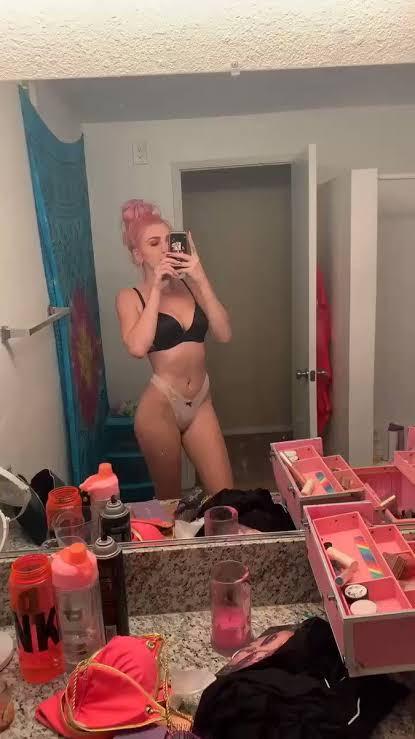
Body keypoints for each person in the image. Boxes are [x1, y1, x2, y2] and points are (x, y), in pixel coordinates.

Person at [116, 199, 234, 500]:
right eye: (153, 243)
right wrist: (156, 288)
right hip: (161, 406)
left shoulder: (191, 287)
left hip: (201, 401)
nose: (164, 248)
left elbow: (224, 333)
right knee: (169, 501)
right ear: (137, 255)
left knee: (227, 496)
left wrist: (199, 275)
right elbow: (137, 347)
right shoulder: (130, 297)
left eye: (169, 241)